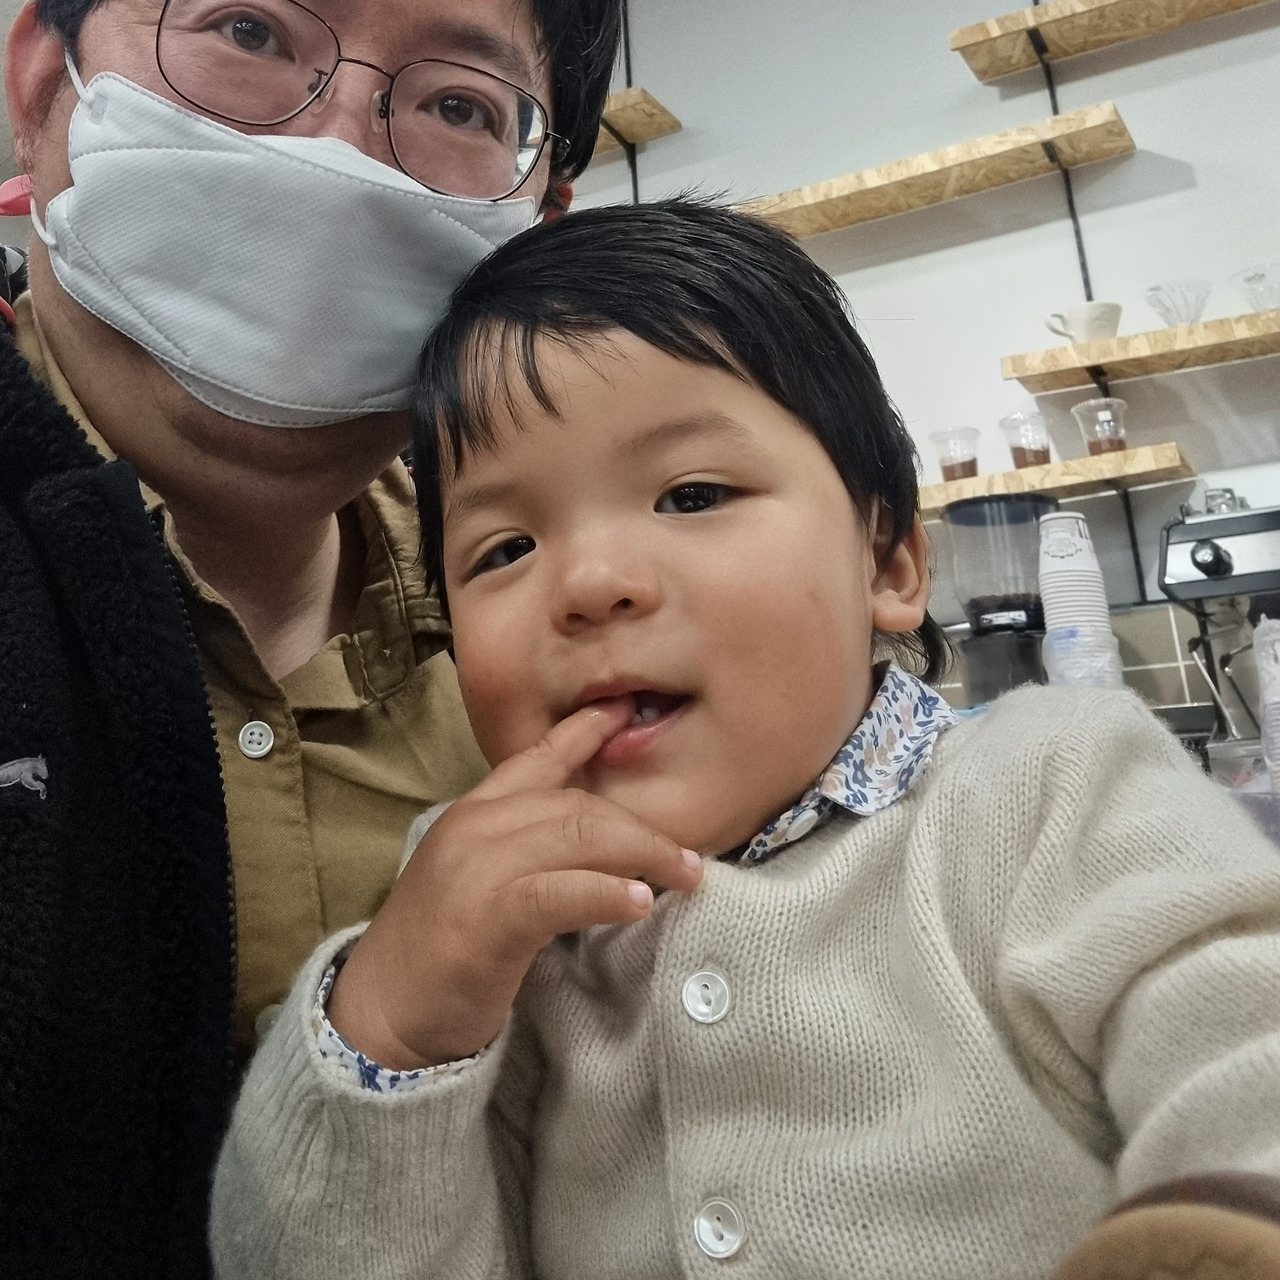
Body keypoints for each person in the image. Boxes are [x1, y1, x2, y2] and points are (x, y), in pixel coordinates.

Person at [212, 201, 1280, 1279]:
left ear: (886, 562)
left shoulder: (1049, 784)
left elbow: (1237, 1025)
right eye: (505, 548)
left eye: (691, 494)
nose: (588, 583)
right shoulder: (491, 919)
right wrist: (394, 1026)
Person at [0, 0, 621, 1272]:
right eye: (248, 30)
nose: (332, 153)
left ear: (536, 221)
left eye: (457, 104)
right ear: (40, 79)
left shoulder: (584, 622)